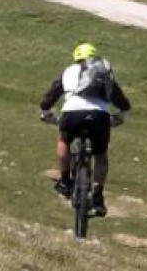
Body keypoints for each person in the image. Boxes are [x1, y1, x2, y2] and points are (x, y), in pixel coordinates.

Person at [39, 42, 131, 217]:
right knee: (101, 155)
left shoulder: (68, 71)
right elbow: (117, 95)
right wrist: (123, 112)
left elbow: (52, 94)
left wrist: (45, 110)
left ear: (75, 57)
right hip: (99, 117)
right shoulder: (102, 71)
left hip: (72, 114)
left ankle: (65, 180)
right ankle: (97, 197)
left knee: (64, 140)